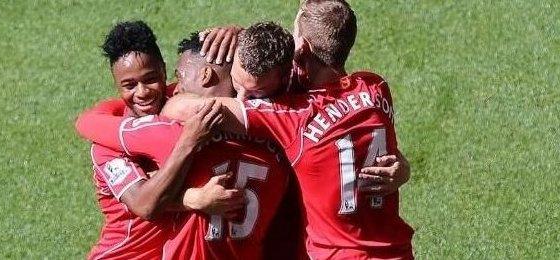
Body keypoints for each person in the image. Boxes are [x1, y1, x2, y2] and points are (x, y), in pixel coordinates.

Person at [168, 2, 415, 258]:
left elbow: (181, 109)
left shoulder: (293, 116)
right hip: (395, 250)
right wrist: (404, 168)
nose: (245, 98)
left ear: (302, 47)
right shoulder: (375, 87)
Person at [79, 21, 235, 260]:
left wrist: (236, 36)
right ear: (116, 85)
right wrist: (193, 197)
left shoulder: (180, 98)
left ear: (163, 70)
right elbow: (144, 204)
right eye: (129, 85)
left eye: (150, 79)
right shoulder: (107, 146)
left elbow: (230, 81)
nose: (142, 92)